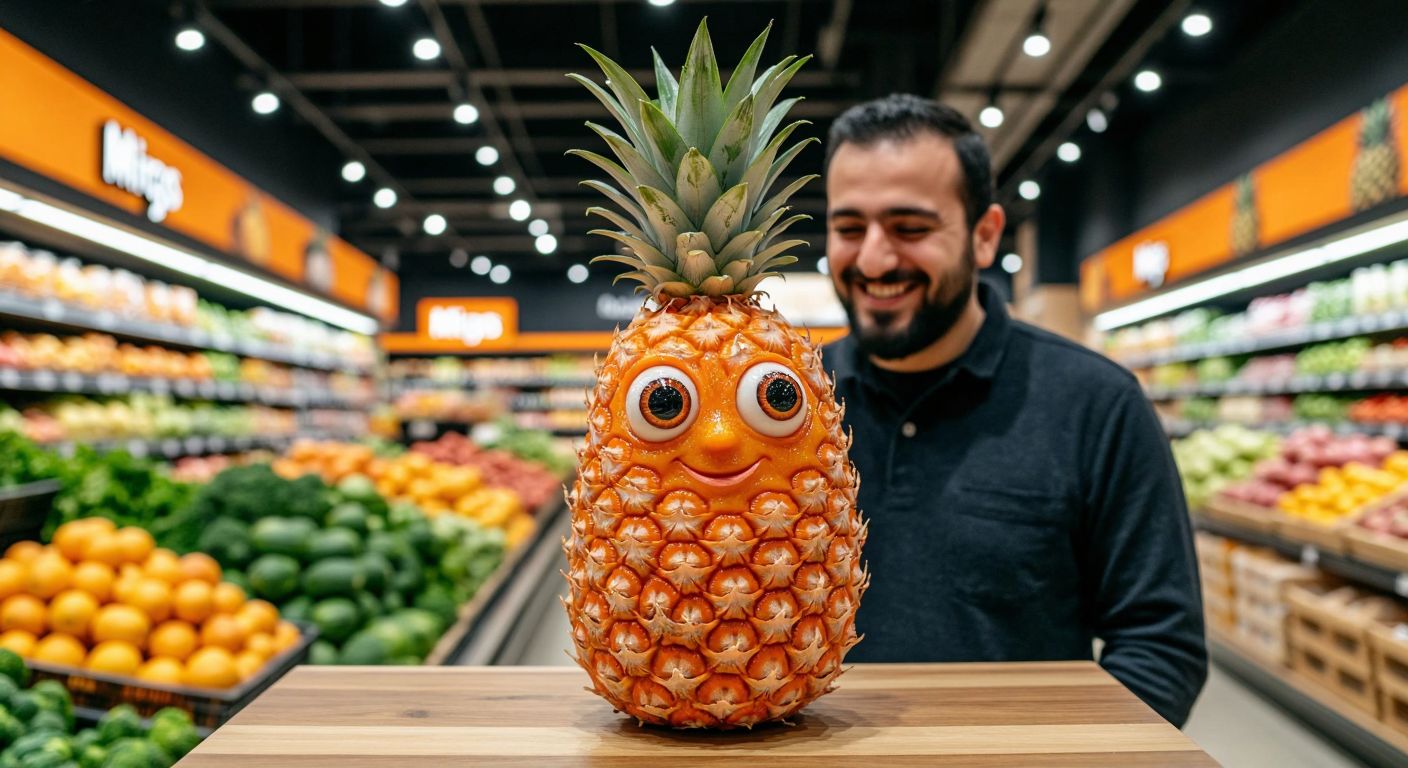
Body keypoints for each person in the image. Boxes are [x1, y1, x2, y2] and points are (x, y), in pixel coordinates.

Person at [820, 94, 1207, 727]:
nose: (873, 260)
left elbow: (1161, 645)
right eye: (849, 228)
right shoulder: (782, 405)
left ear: (984, 235)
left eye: (910, 228)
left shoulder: (1097, 404)